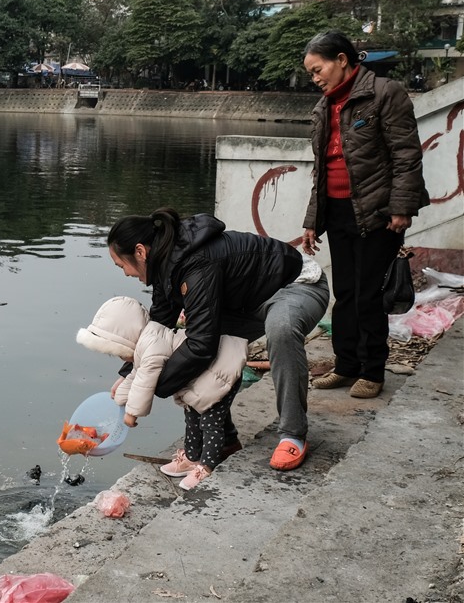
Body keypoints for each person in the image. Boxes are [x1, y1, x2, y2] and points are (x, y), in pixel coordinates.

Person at [107, 208, 330, 471]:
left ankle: (293, 433)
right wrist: (130, 373)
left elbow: (202, 346)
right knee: (188, 348)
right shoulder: (165, 266)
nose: (126, 274)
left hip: (296, 286)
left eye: (122, 265)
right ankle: (224, 440)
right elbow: (158, 330)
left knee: (279, 328)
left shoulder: (196, 264)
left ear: (140, 252)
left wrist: (150, 384)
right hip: (247, 303)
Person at [301, 30, 429, 400]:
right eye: (311, 73)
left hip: (378, 211)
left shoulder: (385, 93)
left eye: (318, 68)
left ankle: (372, 370)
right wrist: (313, 219)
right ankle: (345, 365)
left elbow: (406, 155)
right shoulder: (324, 107)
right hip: (337, 210)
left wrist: (402, 208)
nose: (316, 78)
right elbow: (322, 168)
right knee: (344, 291)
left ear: (342, 59)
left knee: (369, 293)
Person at [76, 296, 248, 490]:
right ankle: (192, 457)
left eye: (118, 352)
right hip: (200, 379)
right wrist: (120, 398)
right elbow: (135, 374)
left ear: (127, 339)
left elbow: (145, 380)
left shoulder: (152, 346)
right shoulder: (146, 342)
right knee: (192, 417)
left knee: (210, 423)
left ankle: (206, 466)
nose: (120, 357)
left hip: (220, 373)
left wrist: (132, 413)